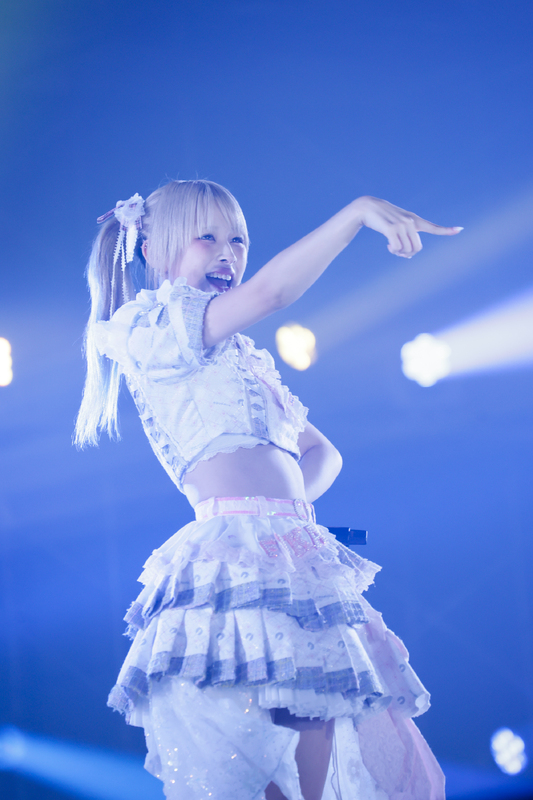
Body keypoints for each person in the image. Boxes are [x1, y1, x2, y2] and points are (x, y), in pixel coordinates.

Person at [75, 180, 461, 800]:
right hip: (231, 546)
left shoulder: (240, 354)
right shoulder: (155, 328)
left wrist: (290, 514)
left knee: (313, 708)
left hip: (286, 546)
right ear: (152, 248)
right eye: (207, 237)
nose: (227, 253)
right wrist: (355, 213)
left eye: (238, 240)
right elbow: (273, 291)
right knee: (264, 730)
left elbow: (323, 452)